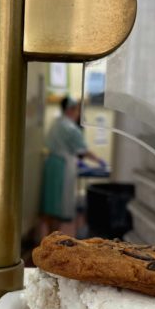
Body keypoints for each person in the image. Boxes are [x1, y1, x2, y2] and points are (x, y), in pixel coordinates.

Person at [40, 96, 106, 233]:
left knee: (50, 205)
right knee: (59, 206)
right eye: (77, 110)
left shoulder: (56, 123)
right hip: (63, 169)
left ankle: (48, 238)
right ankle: (54, 240)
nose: (78, 114)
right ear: (70, 110)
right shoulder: (71, 128)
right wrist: (99, 161)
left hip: (51, 164)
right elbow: (83, 150)